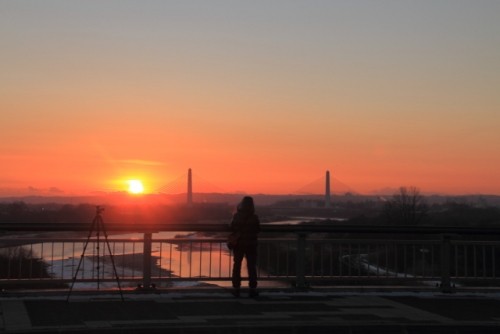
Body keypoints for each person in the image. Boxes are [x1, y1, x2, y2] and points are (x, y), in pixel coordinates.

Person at [229, 196, 260, 298]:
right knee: (251, 267)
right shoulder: (254, 217)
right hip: (251, 245)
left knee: (237, 266)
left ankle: (236, 288)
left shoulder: (236, 216)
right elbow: (258, 229)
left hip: (239, 245)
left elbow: (232, 227)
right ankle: (252, 289)